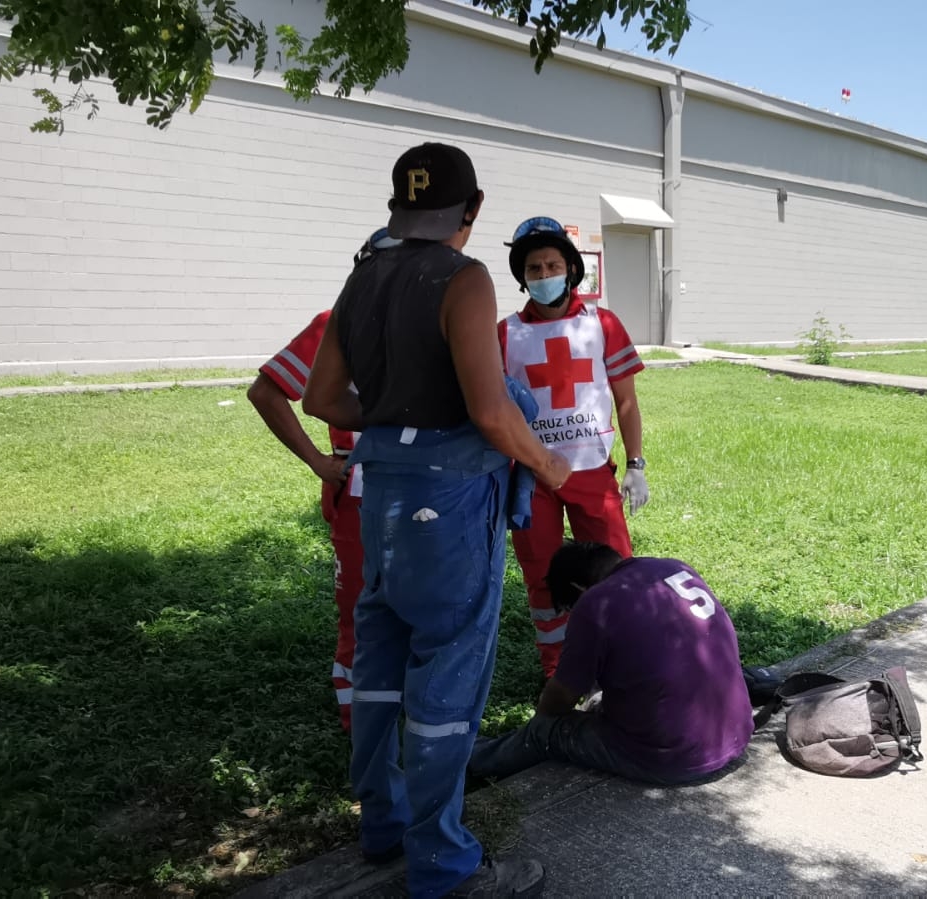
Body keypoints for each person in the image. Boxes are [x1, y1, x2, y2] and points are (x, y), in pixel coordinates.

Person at [302, 142, 570, 899]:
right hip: (449, 507)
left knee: (380, 669)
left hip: (378, 494)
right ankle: (445, 864)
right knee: (447, 680)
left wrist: (391, 422)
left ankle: (380, 823)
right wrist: (549, 467)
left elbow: (320, 398)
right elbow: (489, 412)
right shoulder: (465, 277)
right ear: (471, 210)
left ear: (398, 205)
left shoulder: (360, 276)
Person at [246, 227, 399, 732]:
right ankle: (358, 725)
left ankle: (412, 714)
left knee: (419, 606)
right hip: (358, 498)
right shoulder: (334, 326)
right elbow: (266, 392)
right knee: (359, 608)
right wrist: (316, 460)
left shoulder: (437, 325)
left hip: (427, 492)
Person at [498, 217, 648, 679]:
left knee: (611, 569)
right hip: (531, 476)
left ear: (572, 269)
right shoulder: (504, 333)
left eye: (552, 265)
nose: (544, 276)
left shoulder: (601, 323)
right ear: (522, 277)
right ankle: (559, 673)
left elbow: (625, 401)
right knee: (543, 576)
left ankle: (624, 663)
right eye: (534, 269)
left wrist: (636, 465)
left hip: (591, 471)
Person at [468, 541, 753, 785]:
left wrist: (545, 718)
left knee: (546, 731)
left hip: (673, 756)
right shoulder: (674, 568)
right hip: (736, 732)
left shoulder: (596, 603)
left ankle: (470, 761)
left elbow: (559, 700)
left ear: (579, 589)